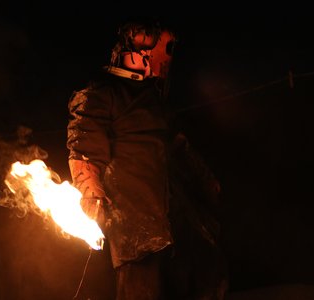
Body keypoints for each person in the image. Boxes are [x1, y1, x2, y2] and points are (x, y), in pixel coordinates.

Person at [66, 17, 228, 300]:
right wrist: (90, 192)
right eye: (163, 49)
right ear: (142, 49)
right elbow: (85, 149)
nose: (166, 58)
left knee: (206, 280)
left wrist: (205, 180)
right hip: (134, 230)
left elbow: (178, 147)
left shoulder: (153, 101)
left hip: (171, 226)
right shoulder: (103, 94)